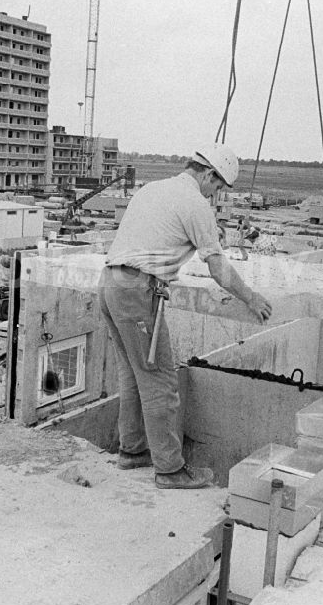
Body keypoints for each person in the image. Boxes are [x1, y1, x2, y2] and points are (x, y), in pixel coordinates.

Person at [100, 143, 273, 489]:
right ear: (209, 175)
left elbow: (161, 233)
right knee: (161, 382)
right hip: (137, 292)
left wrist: (203, 234)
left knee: (134, 377)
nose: (216, 196)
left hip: (110, 285)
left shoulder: (156, 188)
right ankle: (170, 469)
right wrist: (251, 298)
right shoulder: (195, 204)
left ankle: (132, 451)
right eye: (218, 187)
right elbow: (220, 271)